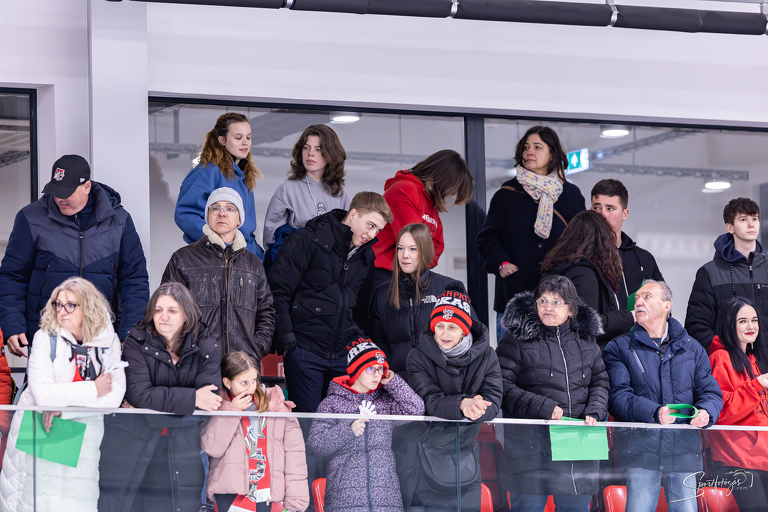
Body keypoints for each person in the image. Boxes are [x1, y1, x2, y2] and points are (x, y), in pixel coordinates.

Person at [0, 154, 149, 357]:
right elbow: (12, 277)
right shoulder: (31, 218)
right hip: (46, 339)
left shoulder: (119, 221)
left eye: (66, 192)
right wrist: (12, 324)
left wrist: (131, 332)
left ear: (86, 187)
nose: (59, 198)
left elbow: (134, 280)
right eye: (55, 191)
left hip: (103, 338)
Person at [0, 277, 126, 512]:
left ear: (88, 306)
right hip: (41, 429)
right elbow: (43, 395)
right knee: (38, 501)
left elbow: (114, 397)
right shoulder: (45, 336)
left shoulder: (107, 341)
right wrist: (92, 389)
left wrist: (62, 410)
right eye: (58, 304)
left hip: (85, 437)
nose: (62, 311)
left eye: (70, 305)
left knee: (76, 502)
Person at [98, 282, 222, 512]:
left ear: (186, 314)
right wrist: (193, 399)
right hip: (133, 445)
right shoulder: (136, 341)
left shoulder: (207, 345)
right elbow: (139, 394)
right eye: (158, 310)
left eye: (172, 310)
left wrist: (148, 409)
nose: (163, 317)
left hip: (183, 450)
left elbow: (208, 405)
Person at [268, 191, 392, 414]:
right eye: (370, 225)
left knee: (339, 430)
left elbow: (361, 312)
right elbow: (278, 291)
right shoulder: (306, 240)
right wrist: (288, 346)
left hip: (343, 358)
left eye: (378, 230)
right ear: (353, 214)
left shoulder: (366, 259)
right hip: (305, 352)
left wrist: (355, 349)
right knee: (307, 428)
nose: (372, 235)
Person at [603, 280, 723, 512]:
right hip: (641, 452)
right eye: (637, 298)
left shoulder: (693, 348)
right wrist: (655, 413)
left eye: (647, 297)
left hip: (684, 451)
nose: (638, 302)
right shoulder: (619, 347)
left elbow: (710, 392)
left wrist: (707, 413)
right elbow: (617, 397)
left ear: (667, 305)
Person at [496, 275, 608, 512]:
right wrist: (541, 406)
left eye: (557, 302)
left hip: (577, 448)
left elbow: (600, 382)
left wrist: (595, 409)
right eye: (543, 301)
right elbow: (500, 386)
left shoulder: (587, 341)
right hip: (530, 450)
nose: (548, 307)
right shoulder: (516, 338)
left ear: (571, 309)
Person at [477, 126, 585, 341]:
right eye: (526, 147)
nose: (529, 152)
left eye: (537, 147)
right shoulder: (506, 194)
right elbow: (487, 238)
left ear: (552, 154)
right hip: (516, 297)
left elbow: (582, 242)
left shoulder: (571, 195)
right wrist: (502, 264)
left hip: (558, 299)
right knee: (511, 359)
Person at [403, 284, 503, 512]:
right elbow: (428, 400)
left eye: (452, 327)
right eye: (439, 326)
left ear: (464, 330)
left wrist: (478, 407)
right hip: (424, 448)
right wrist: (462, 404)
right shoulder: (417, 356)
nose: (444, 334)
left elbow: (494, 401)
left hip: (465, 450)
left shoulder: (487, 355)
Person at [307, 330, 425, 512]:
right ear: (356, 370)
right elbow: (316, 445)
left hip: (385, 497)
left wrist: (393, 382)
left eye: (380, 369)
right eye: (371, 369)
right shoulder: (332, 403)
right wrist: (348, 430)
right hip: (345, 499)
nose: (377, 375)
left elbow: (416, 409)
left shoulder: (384, 401)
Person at [162, 187, 275, 364]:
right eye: (215, 208)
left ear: (239, 219)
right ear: (207, 216)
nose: (222, 213)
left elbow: (266, 312)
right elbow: (167, 310)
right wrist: (185, 351)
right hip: (196, 365)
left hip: (242, 367)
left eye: (230, 208)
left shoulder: (254, 264)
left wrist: (257, 348)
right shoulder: (183, 259)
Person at [201, 351, 309, 512]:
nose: (250, 388)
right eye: (244, 382)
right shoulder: (217, 405)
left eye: (253, 380)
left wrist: (296, 502)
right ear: (227, 382)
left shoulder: (277, 404)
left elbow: (295, 455)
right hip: (230, 492)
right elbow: (212, 448)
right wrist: (232, 411)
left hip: (266, 493)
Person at [369, 223, 455, 378]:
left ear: (424, 250)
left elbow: (466, 337)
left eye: (412, 249)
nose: (405, 255)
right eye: (400, 248)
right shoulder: (382, 294)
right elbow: (377, 341)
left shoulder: (447, 288)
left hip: (439, 382)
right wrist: (389, 371)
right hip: (398, 383)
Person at [175, 112, 265, 257]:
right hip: (218, 260)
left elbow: (247, 230)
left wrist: (258, 256)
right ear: (222, 140)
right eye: (238, 137)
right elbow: (185, 214)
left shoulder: (244, 176)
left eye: (248, 137)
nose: (245, 142)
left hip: (245, 260)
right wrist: (220, 245)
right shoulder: (207, 172)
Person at [541, 210, 634, 349]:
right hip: (582, 355)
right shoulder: (583, 274)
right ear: (602, 240)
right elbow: (587, 324)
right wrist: (629, 317)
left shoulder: (558, 268)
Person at [708, 297, 768, 512]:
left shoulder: (751, 359)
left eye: (754, 320)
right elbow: (721, 413)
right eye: (742, 321)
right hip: (737, 461)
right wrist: (757, 385)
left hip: (761, 458)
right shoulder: (720, 358)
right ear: (729, 325)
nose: (751, 326)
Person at [686, 197, 768, 353]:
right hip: (731, 365)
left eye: (754, 219)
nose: (751, 224)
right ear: (730, 227)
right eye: (743, 219)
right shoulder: (710, 273)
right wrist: (726, 355)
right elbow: (697, 327)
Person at [373, 150, 474, 274]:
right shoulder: (405, 189)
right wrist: (422, 253)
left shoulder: (430, 202)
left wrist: (422, 258)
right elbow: (412, 241)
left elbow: (437, 247)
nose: (451, 193)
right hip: (383, 272)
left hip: (406, 274)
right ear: (444, 177)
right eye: (453, 188)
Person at [262, 124, 351, 264]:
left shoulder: (340, 193)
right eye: (306, 147)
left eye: (318, 149)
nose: (310, 153)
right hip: (296, 268)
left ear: (331, 153)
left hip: (330, 270)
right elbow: (271, 240)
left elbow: (347, 237)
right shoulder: (287, 190)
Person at [590, 179, 663, 308]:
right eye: (597, 208)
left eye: (610, 208)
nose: (602, 215)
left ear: (625, 214)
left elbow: (662, 306)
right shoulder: (580, 256)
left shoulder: (644, 259)